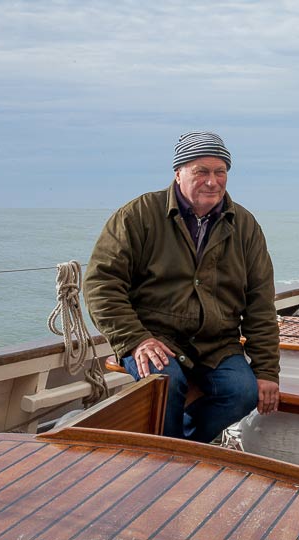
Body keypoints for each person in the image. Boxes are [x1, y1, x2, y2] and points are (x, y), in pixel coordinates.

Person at [84, 131, 280, 443]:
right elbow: (101, 284)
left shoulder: (245, 226)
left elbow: (260, 303)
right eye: (201, 171)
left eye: (220, 172)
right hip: (153, 337)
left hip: (217, 344)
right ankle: (168, 458)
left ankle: (179, 446)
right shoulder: (138, 215)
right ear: (178, 173)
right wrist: (136, 340)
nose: (212, 181)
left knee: (243, 393)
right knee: (167, 382)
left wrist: (267, 372)